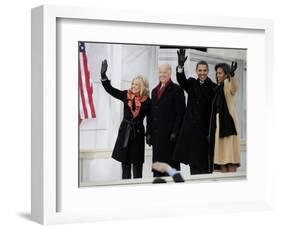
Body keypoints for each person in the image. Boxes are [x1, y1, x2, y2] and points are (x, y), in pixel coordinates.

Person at [100, 59, 152, 179]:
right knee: (125, 164)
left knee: (137, 165)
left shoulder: (147, 101)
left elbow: (150, 119)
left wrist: (149, 134)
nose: (133, 86)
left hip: (138, 133)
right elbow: (110, 90)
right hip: (125, 132)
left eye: (136, 84)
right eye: (132, 83)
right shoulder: (126, 95)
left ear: (142, 86)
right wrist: (103, 76)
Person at [173, 49, 217, 175]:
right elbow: (181, 80)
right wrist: (180, 66)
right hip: (192, 133)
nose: (202, 73)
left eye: (204, 70)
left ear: (208, 71)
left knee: (205, 170)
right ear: (196, 71)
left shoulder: (213, 87)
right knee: (194, 170)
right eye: (200, 70)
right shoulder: (191, 83)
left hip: (205, 135)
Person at [149, 63, 185, 177]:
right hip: (157, 138)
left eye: (165, 72)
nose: (162, 74)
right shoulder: (154, 91)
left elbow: (181, 114)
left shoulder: (177, 90)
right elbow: (151, 114)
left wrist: (175, 132)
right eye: (160, 72)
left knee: (169, 171)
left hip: (170, 138)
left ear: (170, 73)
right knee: (157, 172)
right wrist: (148, 132)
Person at [208, 62, 240, 173]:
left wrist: (232, 76)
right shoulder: (217, 89)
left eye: (220, 73)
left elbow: (234, 88)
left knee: (230, 158)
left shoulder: (227, 84)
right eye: (217, 73)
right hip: (218, 125)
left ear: (226, 74)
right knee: (221, 159)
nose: (218, 75)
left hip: (228, 125)